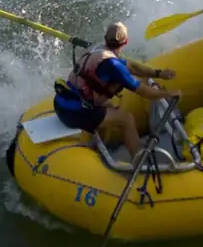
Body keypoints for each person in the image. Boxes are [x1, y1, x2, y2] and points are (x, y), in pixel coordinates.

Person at [53, 22, 180, 165]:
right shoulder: (114, 66)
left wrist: (158, 73)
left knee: (110, 106)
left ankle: (95, 145)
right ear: (126, 42)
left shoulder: (98, 49)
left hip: (63, 102)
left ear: (105, 38)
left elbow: (131, 66)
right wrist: (167, 93)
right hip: (74, 112)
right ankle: (139, 162)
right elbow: (145, 92)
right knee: (126, 119)